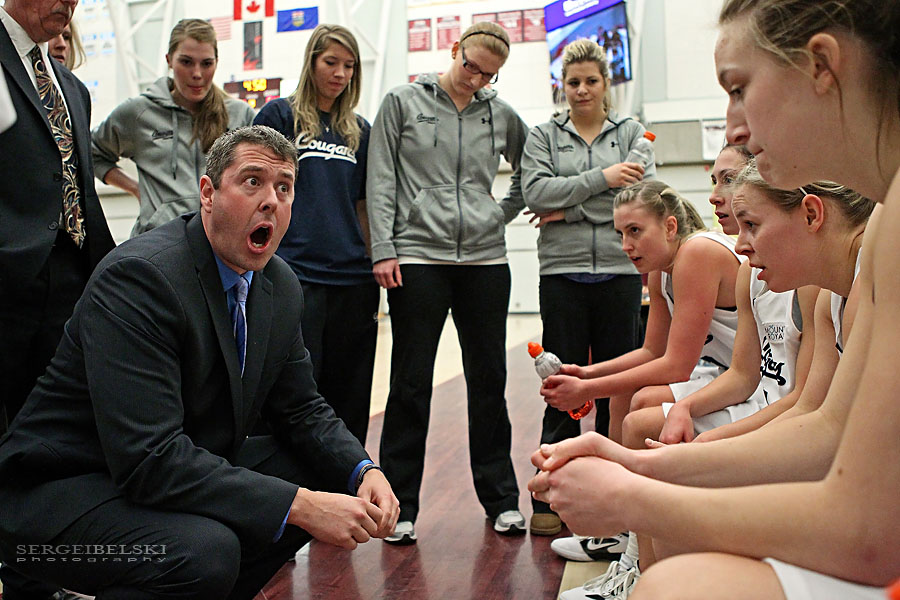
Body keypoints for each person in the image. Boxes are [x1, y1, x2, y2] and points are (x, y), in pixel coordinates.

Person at [530, 0, 900, 597]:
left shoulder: (873, 237)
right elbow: (824, 426)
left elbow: (867, 534)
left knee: (677, 582)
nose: (733, 128)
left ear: (822, 68)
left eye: (738, 88)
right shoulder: (880, 226)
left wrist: (634, 494)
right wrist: (635, 465)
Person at [0, 126, 400, 599]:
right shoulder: (141, 278)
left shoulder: (279, 285)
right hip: (51, 511)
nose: (271, 199)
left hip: (151, 475)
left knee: (319, 472)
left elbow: (302, 408)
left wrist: (362, 470)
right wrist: (299, 505)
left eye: (284, 187)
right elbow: (150, 458)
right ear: (208, 193)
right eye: (252, 181)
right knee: (204, 552)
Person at [367, 21, 528, 544]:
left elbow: (532, 171)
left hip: (485, 261)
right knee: (410, 384)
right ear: (454, 50)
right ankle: (400, 506)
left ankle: (502, 500)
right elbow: (381, 177)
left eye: (489, 75)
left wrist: (497, 213)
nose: (476, 79)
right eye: (471, 66)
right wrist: (385, 248)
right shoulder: (402, 102)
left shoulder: (500, 115)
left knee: (489, 381)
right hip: (418, 258)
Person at [520, 38, 651, 538]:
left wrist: (567, 208)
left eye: (590, 81)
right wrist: (604, 179)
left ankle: (615, 492)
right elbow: (534, 192)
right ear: (563, 86)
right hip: (562, 275)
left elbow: (642, 202)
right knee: (561, 387)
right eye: (572, 82)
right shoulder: (542, 136)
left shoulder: (633, 133)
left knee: (617, 389)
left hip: (620, 274)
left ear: (605, 84)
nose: (581, 90)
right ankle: (550, 492)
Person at [540, 180, 743, 448]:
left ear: (670, 227)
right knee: (623, 395)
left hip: (758, 375)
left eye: (634, 231)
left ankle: (630, 484)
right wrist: (586, 373)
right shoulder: (662, 270)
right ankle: (619, 481)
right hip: (729, 371)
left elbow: (678, 367)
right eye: (620, 234)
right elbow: (652, 352)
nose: (625, 245)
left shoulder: (697, 252)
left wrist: (587, 390)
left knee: (639, 419)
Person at [253, 24, 377, 445]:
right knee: (296, 392)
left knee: (351, 396)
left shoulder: (359, 129)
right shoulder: (278, 116)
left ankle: (351, 483)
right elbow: (256, 189)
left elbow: (363, 204)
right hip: (295, 274)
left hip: (353, 280)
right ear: (311, 62)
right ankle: (294, 495)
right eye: (331, 62)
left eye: (348, 65)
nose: (340, 73)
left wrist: (374, 257)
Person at [0, 0, 115, 439]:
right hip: (10, 278)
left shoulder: (71, 87)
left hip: (72, 279)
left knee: (55, 429)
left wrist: (108, 271)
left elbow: (81, 185)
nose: (69, 2)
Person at [91, 18, 255, 237]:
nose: (197, 73)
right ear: (169, 60)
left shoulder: (239, 115)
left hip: (221, 245)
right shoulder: (139, 113)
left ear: (216, 62)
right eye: (186, 62)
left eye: (206, 63)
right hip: (157, 244)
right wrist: (135, 188)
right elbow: (92, 153)